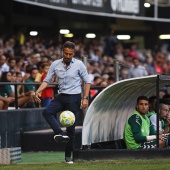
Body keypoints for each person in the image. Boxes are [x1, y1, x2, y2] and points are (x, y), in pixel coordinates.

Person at [34, 41, 91, 164]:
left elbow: (87, 81)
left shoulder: (79, 64)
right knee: (47, 112)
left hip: (74, 98)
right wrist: (38, 91)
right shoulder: (55, 64)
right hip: (61, 96)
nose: (68, 56)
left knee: (71, 129)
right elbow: (47, 80)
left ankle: (68, 157)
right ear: (62, 52)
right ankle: (59, 133)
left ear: (74, 53)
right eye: (66, 53)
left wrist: (85, 98)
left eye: (70, 54)